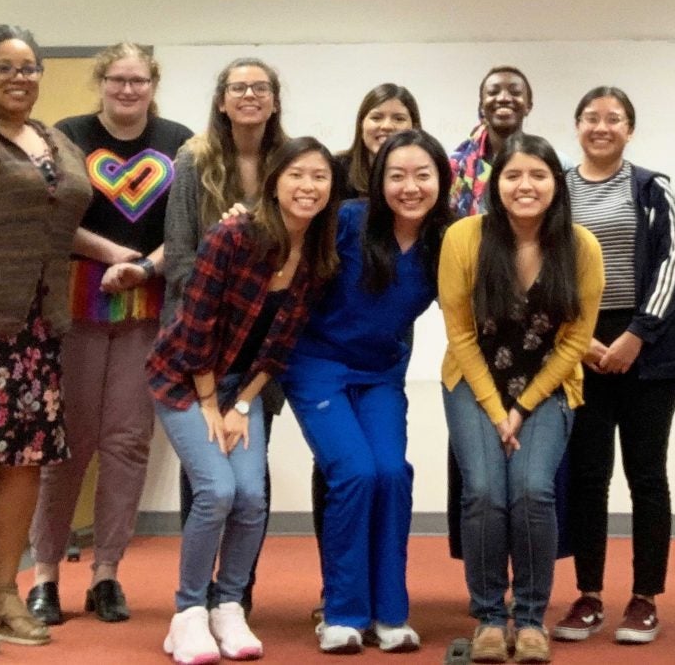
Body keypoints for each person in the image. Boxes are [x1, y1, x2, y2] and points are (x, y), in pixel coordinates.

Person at [148, 136, 339, 664]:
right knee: (217, 490)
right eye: (297, 174)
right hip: (186, 378)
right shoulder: (232, 235)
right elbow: (196, 325)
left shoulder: (318, 252)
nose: (308, 186)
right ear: (275, 181)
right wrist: (211, 404)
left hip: (242, 388)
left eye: (320, 176)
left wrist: (241, 404)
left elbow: (281, 344)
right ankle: (187, 614)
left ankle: (227, 605)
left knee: (252, 497)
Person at [26, 42, 193, 626]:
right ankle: (44, 576)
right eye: (118, 79)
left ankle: (106, 575)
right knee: (65, 444)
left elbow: (189, 225)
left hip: (148, 304)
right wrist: (111, 252)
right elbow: (51, 213)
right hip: (75, 303)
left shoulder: (181, 140)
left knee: (126, 441)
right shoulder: (65, 134)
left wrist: (145, 265)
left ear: (153, 84)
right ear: (101, 82)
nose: (128, 90)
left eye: (139, 80)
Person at [282, 129, 453, 655]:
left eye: (422, 175)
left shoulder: (447, 240)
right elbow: (280, 239)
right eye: (396, 176)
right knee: (354, 472)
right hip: (318, 365)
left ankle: (391, 614)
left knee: (392, 473)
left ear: (441, 181)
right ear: (378, 183)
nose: (410, 187)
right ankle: (342, 612)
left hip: (381, 373)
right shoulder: (348, 221)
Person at [440, 132, 604, 664]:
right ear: (496, 183)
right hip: (473, 383)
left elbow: (577, 342)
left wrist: (523, 407)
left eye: (538, 175)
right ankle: (490, 615)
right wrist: (496, 409)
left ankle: (531, 616)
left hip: (547, 387)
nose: (525, 185)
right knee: (485, 491)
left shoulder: (580, 246)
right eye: (513, 175)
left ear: (557, 183)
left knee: (533, 491)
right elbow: (460, 335)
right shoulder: (464, 238)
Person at [0, 24, 91, 653]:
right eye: (5, 68)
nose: (21, 77)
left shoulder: (54, 140)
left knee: (23, 461)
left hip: (37, 328)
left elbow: (61, 221)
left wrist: (120, 254)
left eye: (31, 67)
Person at [550, 87, 675, 647]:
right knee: (588, 476)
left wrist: (636, 334)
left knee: (647, 476)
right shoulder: (556, 188)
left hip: (650, 351)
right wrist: (577, 338)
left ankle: (645, 598)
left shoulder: (653, 189)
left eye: (614, 119)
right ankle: (588, 595)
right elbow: (543, 266)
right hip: (580, 350)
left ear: (630, 129)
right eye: (591, 118)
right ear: (577, 125)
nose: (601, 127)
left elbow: (672, 266)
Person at [162, 57, 288, 614]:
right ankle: (196, 597)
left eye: (260, 88)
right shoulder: (194, 161)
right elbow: (181, 258)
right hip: (201, 338)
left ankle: (236, 594)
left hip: (263, 345)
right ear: (221, 100)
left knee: (250, 475)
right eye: (238, 87)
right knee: (208, 476)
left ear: (275, 100)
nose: (250, 95)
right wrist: (228, 249)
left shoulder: (290, 163)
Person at [448, 65, 533, 217]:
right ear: (481, 107)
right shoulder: (455, 165)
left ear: (528, 106)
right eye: (493, 92)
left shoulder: (549, 163)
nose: (503, 98)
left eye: (515, 92)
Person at [336, 83, 421, 199]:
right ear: (361, 124)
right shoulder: (336, 170)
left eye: (399, 119)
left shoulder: (428, 171)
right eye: (376, 118)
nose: (387, 126)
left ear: (414, 127)